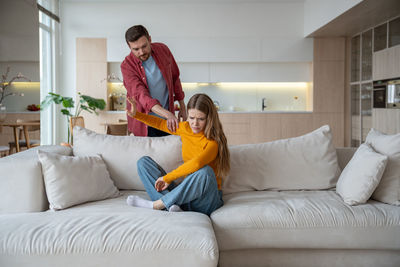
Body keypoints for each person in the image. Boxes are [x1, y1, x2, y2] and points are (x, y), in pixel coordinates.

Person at [125, 93, 230, 216]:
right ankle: (173, 206)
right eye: (191, 118)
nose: (195, 123)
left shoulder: (212, 143)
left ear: (209, 118)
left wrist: (168, 178)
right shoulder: (185, 128)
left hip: (206, 199)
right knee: (143, 162)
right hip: (187, 197)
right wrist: (136, 115)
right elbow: (160, 124)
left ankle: (158, 205)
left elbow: (195, 163)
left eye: (201, 119)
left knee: (205, 172)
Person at [121, 25, 186, 137]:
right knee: (146, 154)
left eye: (144, 46)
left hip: (167, 122)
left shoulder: (163, 50)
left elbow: (175, 77)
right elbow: (141, 96)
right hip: (145, 124)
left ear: (150, 39)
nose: (141, 52)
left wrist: (182, 106)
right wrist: (167, 114)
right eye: (136, 49)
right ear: (129, 46)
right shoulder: (127, 66)